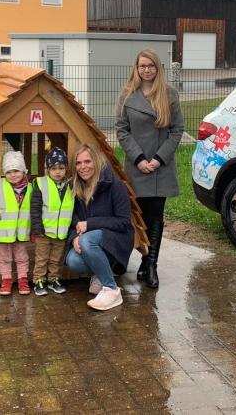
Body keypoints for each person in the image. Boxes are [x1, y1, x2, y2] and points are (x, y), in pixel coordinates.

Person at [115, 49, 184, 288]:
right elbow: (122, 129)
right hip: (137, 166)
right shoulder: (127, 95)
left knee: (155, 217)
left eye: (151, 65)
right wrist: (139, 158)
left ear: (158, 68)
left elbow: (177, 130)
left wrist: (158, 159)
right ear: (136, 68)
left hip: (159, 167)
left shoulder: (169, 94)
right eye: (142, 66)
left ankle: (150, 264)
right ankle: (136, 258)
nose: (146, 70)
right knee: (137, 216)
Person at [65, 144, 134, 311]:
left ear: (96, 161)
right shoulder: (75, 186)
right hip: (90, 240)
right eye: (78, 163)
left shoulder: (115, 185)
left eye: (87, 161)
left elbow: (123, 222)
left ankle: (111, 289)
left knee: (87, 241)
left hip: (116, 239)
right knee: (72, 260)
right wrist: (74, 238)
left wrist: (90, 224)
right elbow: (72, 218)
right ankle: (101, 272)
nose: (83, 167)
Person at [0, 151, 33, 296]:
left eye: (16, 171)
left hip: (21, 232)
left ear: (23, 171)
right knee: (4, 258)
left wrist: (34, 233)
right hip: (2, 233)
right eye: (8, 172)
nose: (13, 175)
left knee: (22, 257)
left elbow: (34, 212)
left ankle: (23, 279)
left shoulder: (31, 188)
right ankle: (6, 280)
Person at [30, 147, 73, 296]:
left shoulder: (70, 186)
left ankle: (53, 279)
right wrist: (37, 228)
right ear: (48, 169)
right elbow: (35, 208)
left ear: (66, 169)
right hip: (44, 231)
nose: (57, 172)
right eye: (53, 168)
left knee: (56, 259)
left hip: (61, 232)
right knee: (41, 258)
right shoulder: (41, 183)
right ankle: (39, 280)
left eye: (61, 168)